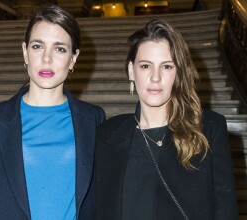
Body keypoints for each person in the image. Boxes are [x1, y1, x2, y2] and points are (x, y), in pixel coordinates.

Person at [0, 5, 106, 220]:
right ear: (25, 52)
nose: (47, 58)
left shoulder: (93, 119)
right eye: (37, 46)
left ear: (73, 59)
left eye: (60, 48)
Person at [95, 19, 239, 220]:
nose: (155, 77)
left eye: (166, 67)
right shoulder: (107, 134)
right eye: (145, 66)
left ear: (178, 72)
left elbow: (225, 211)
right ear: (131, 71)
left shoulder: (209, 129)